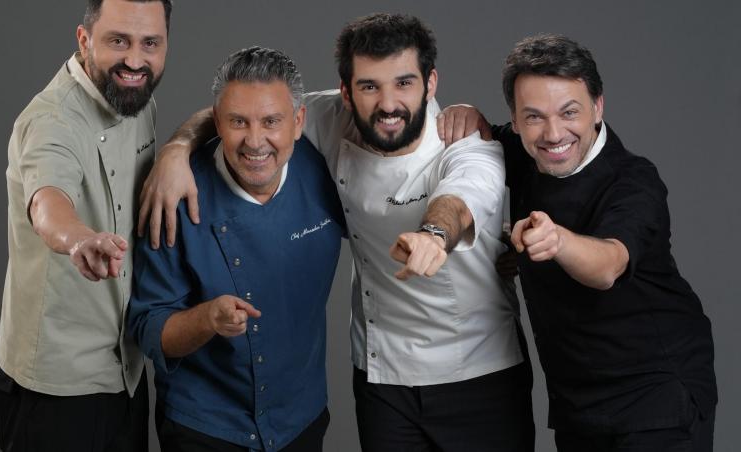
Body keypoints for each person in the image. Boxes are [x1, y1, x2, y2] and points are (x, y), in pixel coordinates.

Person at [138, 13, 534, 452]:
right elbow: (247, 110)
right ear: (346, 93)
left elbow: (461, 198)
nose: (388, 104)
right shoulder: (326, 122)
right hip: (383, 378)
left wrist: (434, 235)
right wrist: (177, 149)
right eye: (369, 86)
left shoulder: (468, 146)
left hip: (478, 372)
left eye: (404, 83)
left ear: (430, 84)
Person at [446, 34, 718, 451]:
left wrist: (556, 241)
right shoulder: (521, 152)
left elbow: (609, 264)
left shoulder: (634, 180)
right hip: (578, 402)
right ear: (515, 120)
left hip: (658, 393)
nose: (554, 134)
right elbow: (476, 139)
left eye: (569, 112)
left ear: (598, 107)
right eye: (534, 117)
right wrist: (465, 112)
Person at [128, 47, 345, 452]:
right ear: (217, 122)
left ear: (298, 121)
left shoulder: (327, 171)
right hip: (206, 427)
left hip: (300, 418)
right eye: (238, 122)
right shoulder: (175, 195)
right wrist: (207, 318)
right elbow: (149, 327)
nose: (255, 141)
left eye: (271, 121)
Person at [0, 1, 172, 450]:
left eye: (150, 43)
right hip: (56, 387)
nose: (135, 60)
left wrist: (179, 150)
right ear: (84, 40)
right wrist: (78, 238)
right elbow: (48, 203)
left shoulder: (137, 98)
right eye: (118, 41)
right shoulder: (51, 121)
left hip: (125, 371)